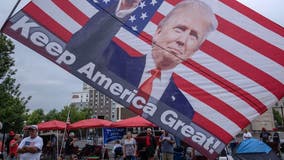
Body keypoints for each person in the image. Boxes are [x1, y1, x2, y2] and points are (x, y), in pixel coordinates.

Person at [66, 0, 218, 118]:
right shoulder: (112, 57)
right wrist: (124, 8)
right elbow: (76, 51)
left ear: (193, 51)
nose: (182, 40)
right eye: (180, 29)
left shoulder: (183, 109)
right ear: (158, 32)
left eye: (193, 36)